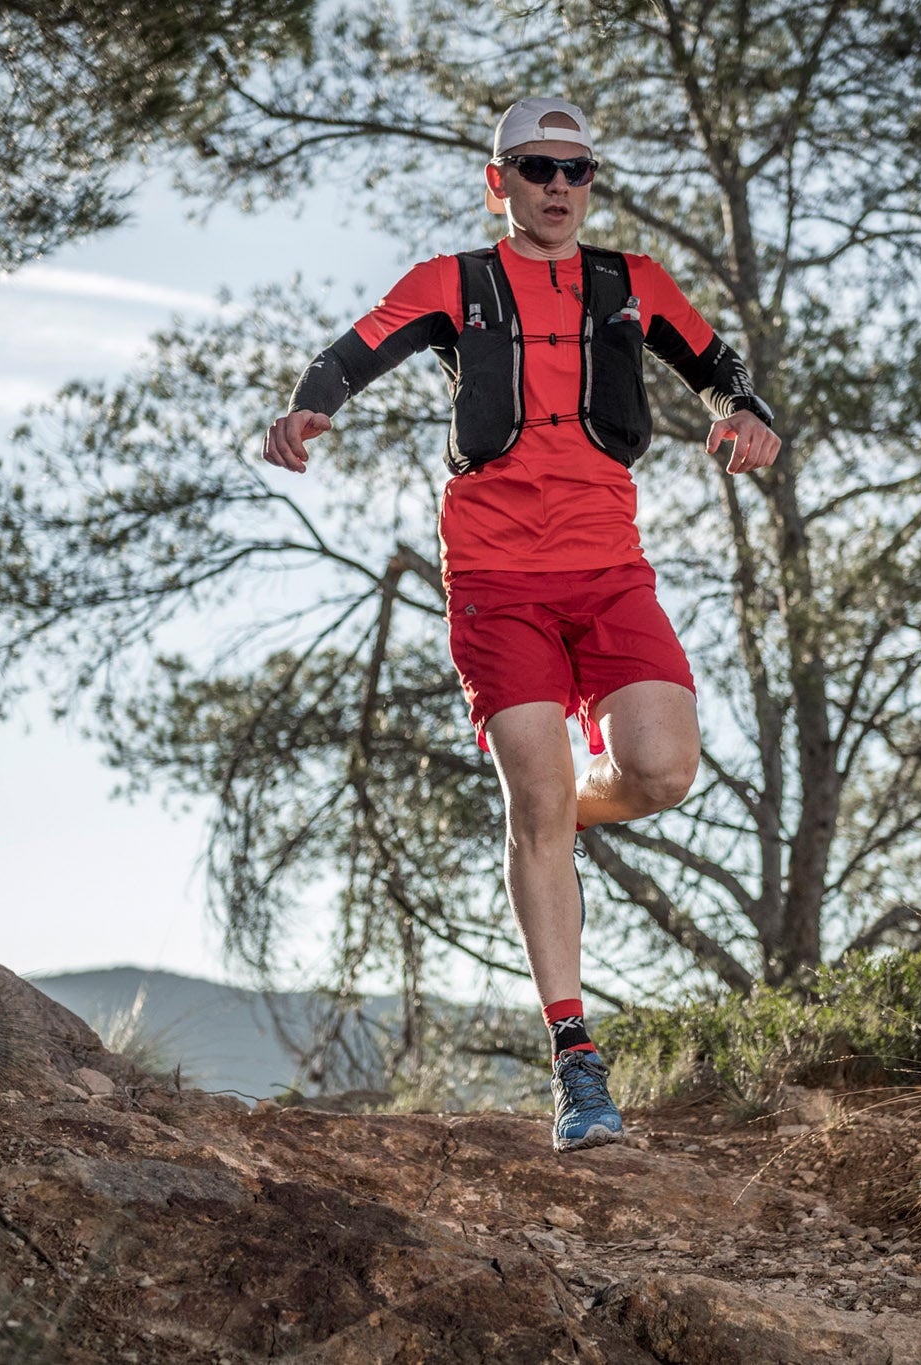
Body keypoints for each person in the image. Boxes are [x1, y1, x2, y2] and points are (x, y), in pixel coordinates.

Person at [263, 97, 780, 1151]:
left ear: (590, 183)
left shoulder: (631, 285)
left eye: (576, 169)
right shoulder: (449, 283)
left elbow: (719, 364)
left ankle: (550, 820)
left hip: (607, 567)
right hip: (495, 574)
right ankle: (576, 1062)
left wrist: (745, 415)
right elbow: (353, 350)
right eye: (535, 166)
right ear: (497, 180)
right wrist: (309, 408)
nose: (557, 185)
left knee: (663, 771)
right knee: (534, 796)